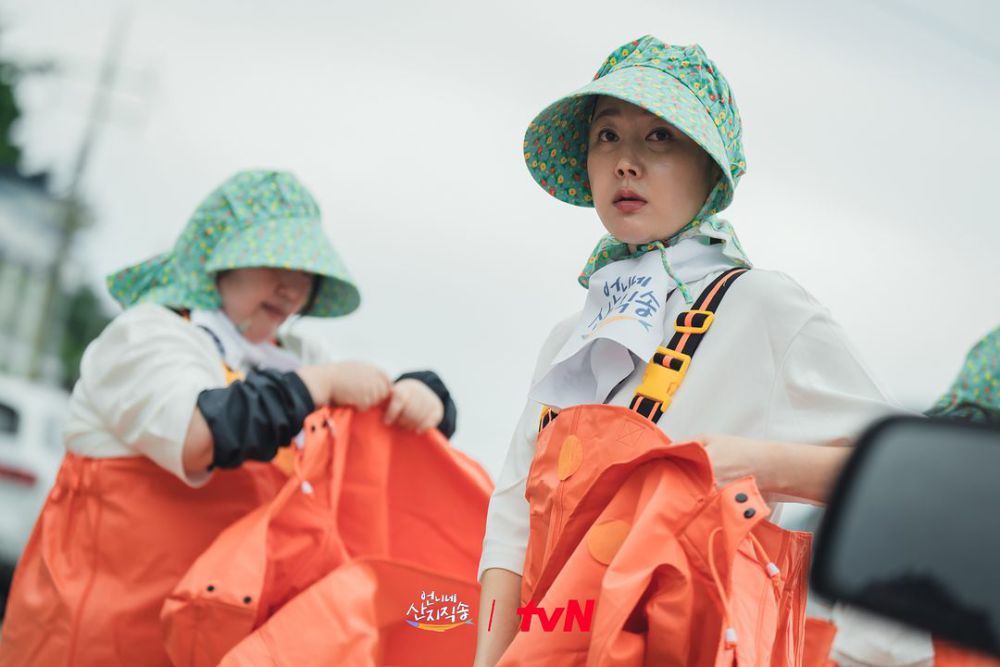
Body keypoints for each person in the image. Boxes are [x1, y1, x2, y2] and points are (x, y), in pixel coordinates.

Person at [473, 35, 917, 665]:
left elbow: (911, 477)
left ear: (711, 167)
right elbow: (511, 532)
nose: (626, 161)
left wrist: (746, 464)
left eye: (660, 137)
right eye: (607, 136)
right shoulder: (568, 340)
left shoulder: (762, 307)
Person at [0, 169, 457, 665]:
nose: (291, 287)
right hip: (94, 644)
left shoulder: (297, 354)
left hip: (215, 648)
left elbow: (367, 423)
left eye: (306, 272)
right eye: (274, 261)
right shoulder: (147, 336)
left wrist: (419, 394)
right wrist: (320, 385)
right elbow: (199, 434)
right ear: (217, 262)